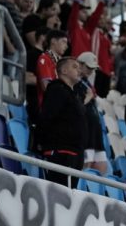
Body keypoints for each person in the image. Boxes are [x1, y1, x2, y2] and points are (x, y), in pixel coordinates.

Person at [38, 57, 87, 187]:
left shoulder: (73, 94)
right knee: (58, 193)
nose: (79, 70)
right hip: (61, 151)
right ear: (64, 71)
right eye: (74, 67)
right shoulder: (56, 90)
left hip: (74, 152)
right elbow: (47, 118)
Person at [74, 51, 107, 175]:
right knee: (85, 168)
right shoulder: (74, 83)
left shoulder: (86, 82)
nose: (91, 71)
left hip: (95, 131)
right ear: (79, 64)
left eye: (93, 69)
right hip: (85, 130)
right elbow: (76, 106)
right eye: (88, 68)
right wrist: (88, 97)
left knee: (102, 168)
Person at [35, 29, 68, 108]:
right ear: (53, 41)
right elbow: (46, 87)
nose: (66, 46)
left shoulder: (62, 62)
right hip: (50, 107)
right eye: (63, 42)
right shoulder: (44, 59)